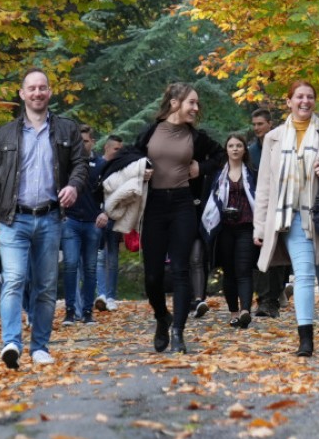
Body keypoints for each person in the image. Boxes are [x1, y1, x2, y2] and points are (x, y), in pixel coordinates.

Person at [0, 69, 90, 369]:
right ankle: (11, 343)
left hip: (50, 219)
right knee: (13, 280)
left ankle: (39, 347)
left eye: (42, 88)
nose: (37, 93)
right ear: (22, 94)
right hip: (14, 219)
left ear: (50, 93)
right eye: (31, 88)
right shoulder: (5, 134)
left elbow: (80, 165)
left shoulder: (66, 130)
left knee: (46, 286)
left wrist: (74, 186)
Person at [107, 83, 225, 354]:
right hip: (154, 208)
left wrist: (200, 167)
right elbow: (129, 157)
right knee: (152, 277)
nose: (196, 108)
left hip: (183, 205)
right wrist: (140, 170)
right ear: (174, 103)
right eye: (191, 103)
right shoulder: (151, 132)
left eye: (197, 103)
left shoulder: (195, 137)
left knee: (181, 270)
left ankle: (178, 332)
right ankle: (162, 317)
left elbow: (219, 156)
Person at [253, 81, 319, 357]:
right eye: (299, 97)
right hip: (290, 218)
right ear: (288, 101)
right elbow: (265, 185)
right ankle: (305, 339)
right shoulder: (273, 138)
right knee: (303, 275)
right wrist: (260, 226)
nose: (305, 101)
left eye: (310, 97)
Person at [205, 132, 260, 327]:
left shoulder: (252, 172)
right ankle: (233, 312)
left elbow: (261, 200)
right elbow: (209, 201)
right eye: (231, 146)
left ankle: (245, 310)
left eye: (239, 145)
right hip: (224, 229)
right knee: (228, 271)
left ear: (244, 149)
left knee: (244, 270)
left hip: (246, 227)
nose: (235, 149)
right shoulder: (217, 175)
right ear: (226, 149)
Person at [247, 106, 290, 318]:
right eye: (254, 125)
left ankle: (275, 294)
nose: (256, 128)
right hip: (257, 208)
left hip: (281, 206)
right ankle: (264, 299)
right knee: (259, 254)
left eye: (260, 124)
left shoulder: (282, 146)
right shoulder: (251, 152)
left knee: (279, 253)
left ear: (270, 124)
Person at [61, 127, 104, 324]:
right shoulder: (66, 165)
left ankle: (88, 312)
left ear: (92, 142)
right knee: (70, 265)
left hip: (93, 222)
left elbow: (111, 191)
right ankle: (70, 312)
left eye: (86, 141)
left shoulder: (101, 165)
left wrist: (107, 213)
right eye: (79, 141)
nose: (82, 145)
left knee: (91, 268)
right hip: (70, 221)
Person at [93, 135, 124, 311]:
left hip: (113, 217)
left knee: (112, 257)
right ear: (107, 147)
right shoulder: (96, 165)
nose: (118, 153)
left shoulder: (120, 169)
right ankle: (102, 294)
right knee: (98, 257)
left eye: (120, 150)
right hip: (95, 218)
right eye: (116, 149)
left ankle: (111, 296)